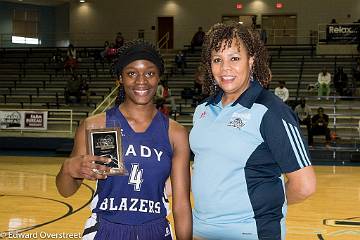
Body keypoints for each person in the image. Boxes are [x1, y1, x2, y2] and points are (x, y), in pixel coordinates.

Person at [189, 22, 316, 240]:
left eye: (234, 58)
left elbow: (305, 186)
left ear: (251, 60)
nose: (225, 68)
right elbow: (202, 168)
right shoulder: (203, 110)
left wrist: (264, 206)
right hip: (199, 230)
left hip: (251, 232)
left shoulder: (272, 111)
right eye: (217, 60)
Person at [56, 39, 192, 240]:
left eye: (149, 73)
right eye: (131, 73)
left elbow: (181, 204)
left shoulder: (176, 133)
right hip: (105, 231)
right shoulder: (95, 125)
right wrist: (68, 168)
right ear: (120, 78)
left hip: (156, 232)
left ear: (158, 78)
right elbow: (66, 191)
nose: (141, 81)